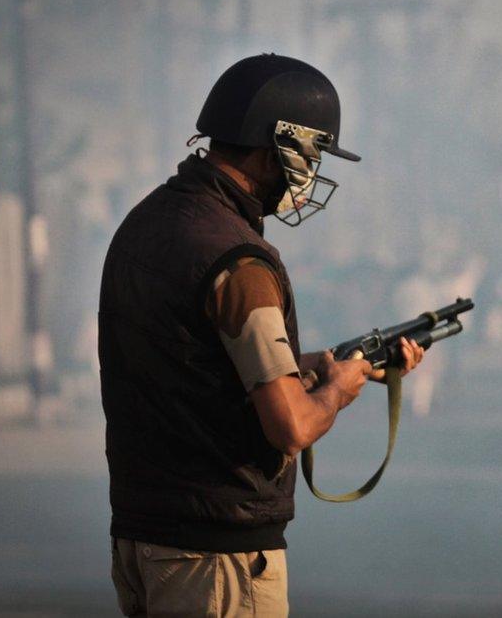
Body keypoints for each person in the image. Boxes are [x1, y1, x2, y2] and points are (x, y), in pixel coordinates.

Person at [99, 54, 425, 617]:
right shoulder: (238, 258)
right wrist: (339, 388)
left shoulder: (148, 222)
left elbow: (188, 364)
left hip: (141, 538)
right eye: (313, 152)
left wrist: (310, 364)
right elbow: (291, 426)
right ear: (277, 146)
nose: (315, 169)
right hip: (216, 562)